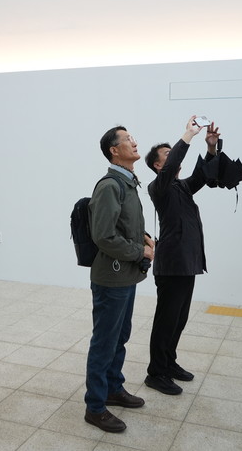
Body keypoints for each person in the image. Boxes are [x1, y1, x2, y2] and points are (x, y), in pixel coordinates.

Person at [84, 126, 155, 433]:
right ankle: (95, 407)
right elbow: (103, 235)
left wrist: (145, 237)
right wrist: (140, 251)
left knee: (120, 337)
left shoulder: (128, 182)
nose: (134, 142)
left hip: (125, 276)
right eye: (127, 140)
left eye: (132, 138)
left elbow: (125, 224)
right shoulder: (110, 186)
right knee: (105, 342)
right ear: (114, 150)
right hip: (111, 279)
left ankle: (113, 388)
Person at [143, 116, 220, 395]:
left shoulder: (182, 187)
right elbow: (173, 163)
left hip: (187, 263)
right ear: (158, 166)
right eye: (167, 154)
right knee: (166, 321)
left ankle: (169, 363)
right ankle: (156, 373)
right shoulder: (158, 188)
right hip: (171, 266)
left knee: (179, 319)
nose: (173, 156)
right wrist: (187, 135)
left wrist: (210, 147)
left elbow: (201, 176)